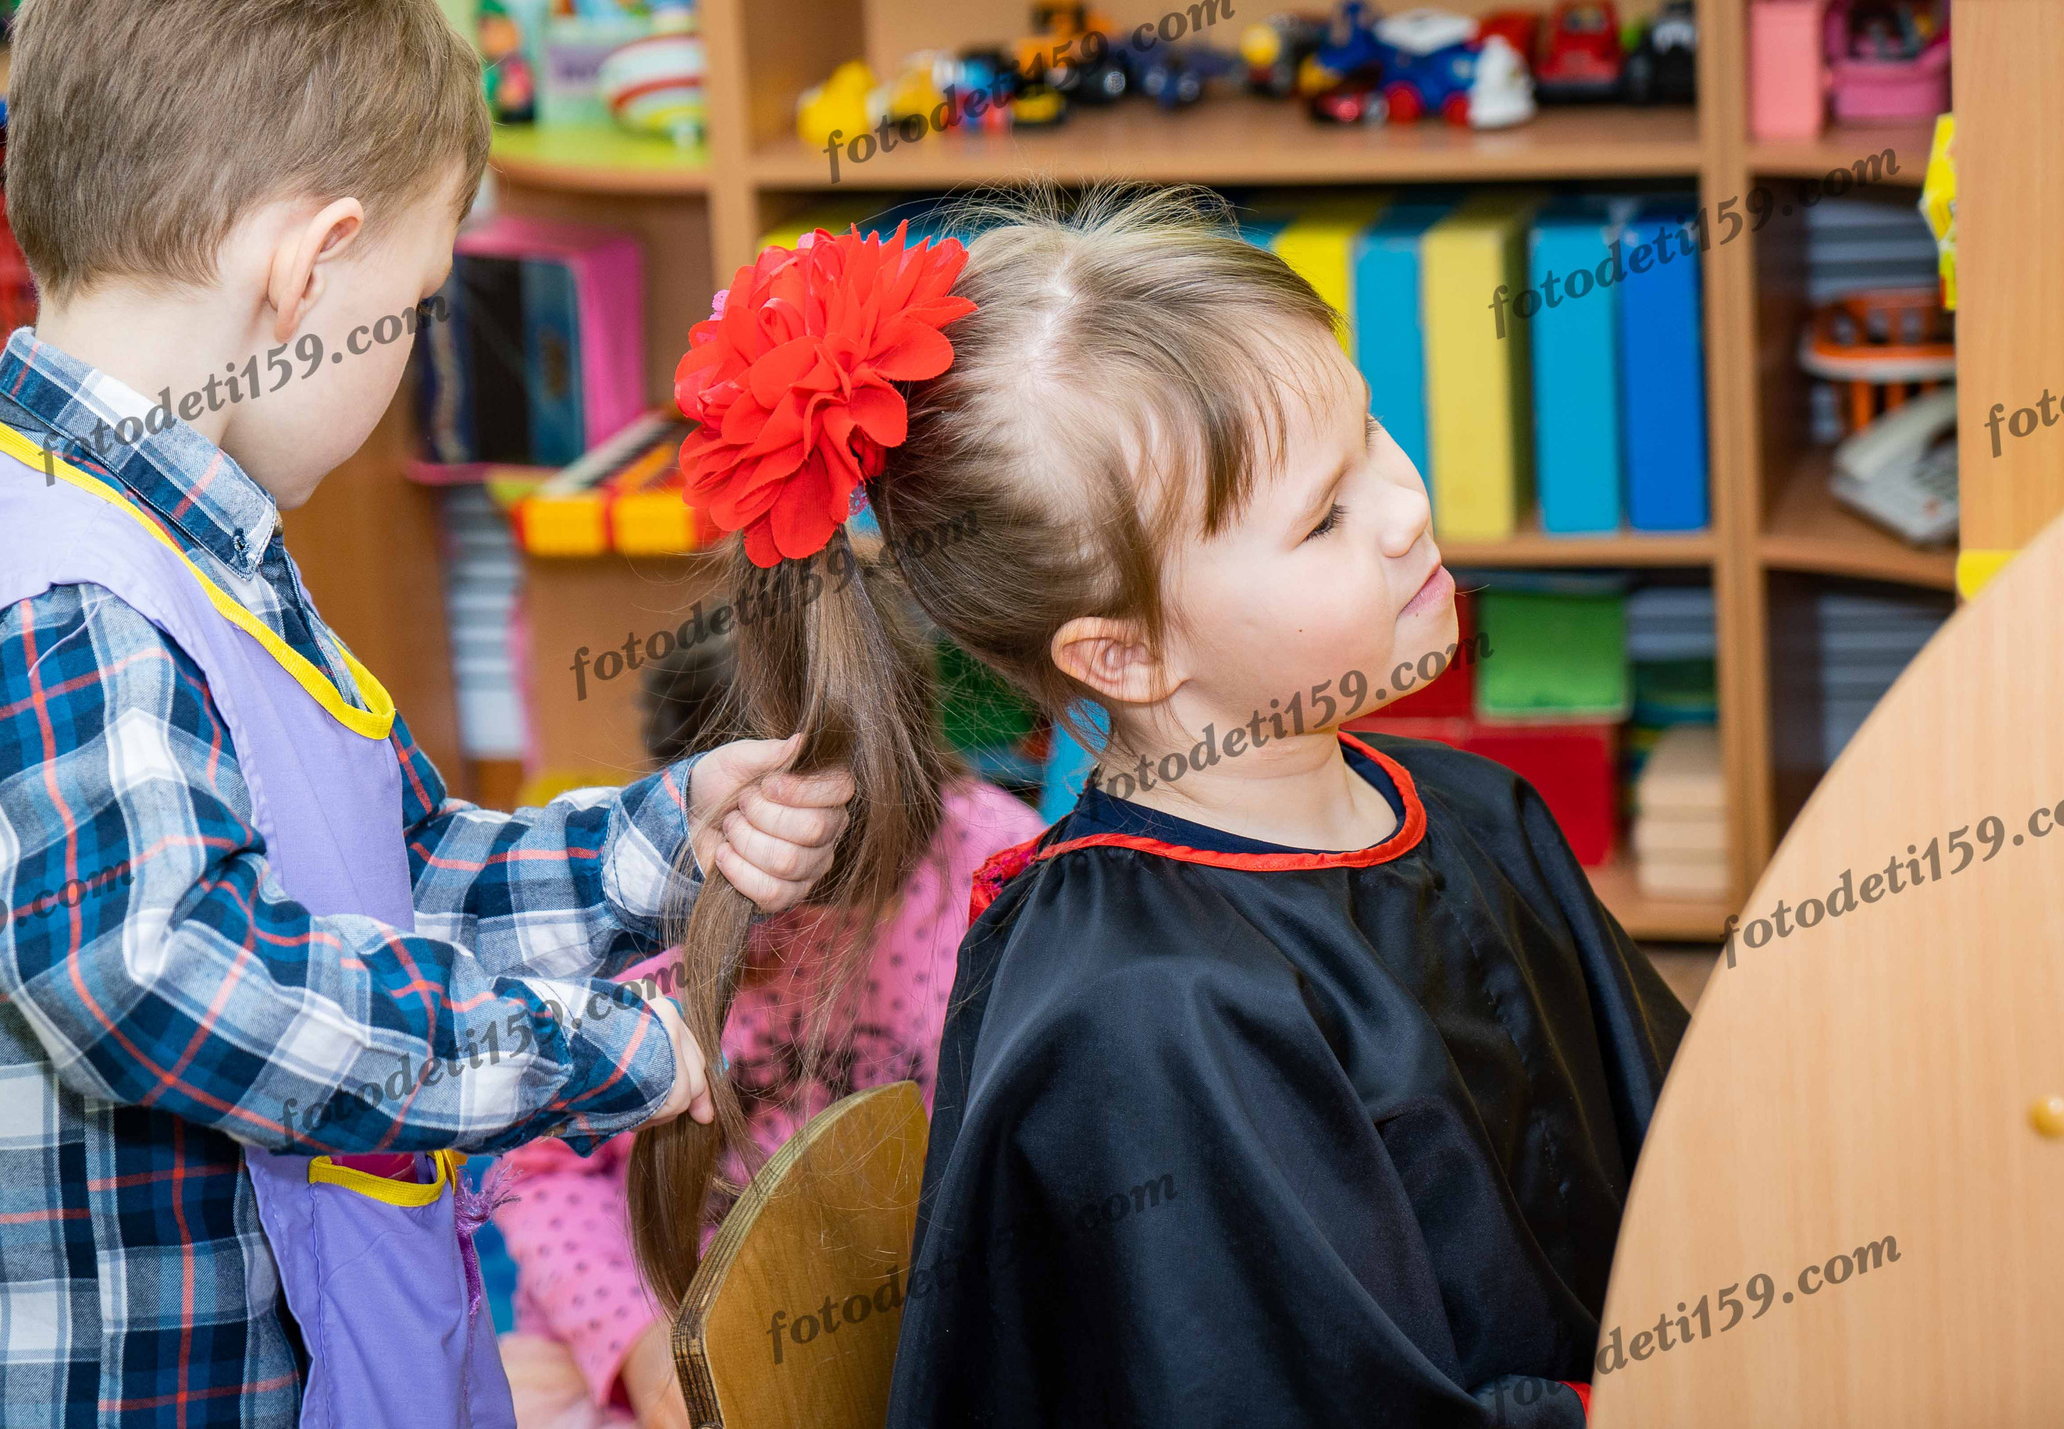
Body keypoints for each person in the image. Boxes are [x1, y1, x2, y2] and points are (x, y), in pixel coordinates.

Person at [0, 0, 855, 1429]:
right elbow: (162, 965)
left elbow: (389, 878)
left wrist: (666, 843)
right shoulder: (58, 602)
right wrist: (570, 1048)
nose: (400, 355)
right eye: (407, 308)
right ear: (306, 268)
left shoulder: (193, 548)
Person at [667, 190, 1689, 1429]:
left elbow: (1700, 1143)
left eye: (1369, 432)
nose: (1406, 505)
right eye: (1321, 515)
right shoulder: (1144, 1016)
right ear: (1125, 655)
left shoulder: (1479, 810)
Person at [492, 631, 1042, 1429]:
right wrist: (645, 1355)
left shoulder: (997, 869)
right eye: (761, 886)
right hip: (660, 1331)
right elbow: (542, 1170)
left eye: (843, 888)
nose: (803, 923)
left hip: (915, 1331)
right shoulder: (634, 906)